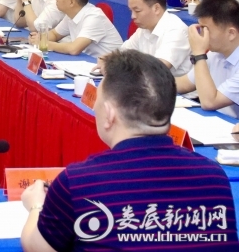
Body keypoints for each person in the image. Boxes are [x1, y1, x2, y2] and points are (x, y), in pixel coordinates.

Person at [20, 51, 236, 251]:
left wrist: (36, 205)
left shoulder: (77, 181)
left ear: (109, 114)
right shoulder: (214, 177)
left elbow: (38, 247)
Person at [109, 0, 191, 77]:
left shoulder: (176, 30)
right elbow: (122, 53)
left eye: (137, 11)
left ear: (156, 8)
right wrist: (108, 60)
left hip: (174, 86)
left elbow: (157, 69)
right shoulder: (144, 28)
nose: (132, 16)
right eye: (131, 11)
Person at [176, 0, 239, 118]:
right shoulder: (215, 54)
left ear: (231, 33)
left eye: (205, 29)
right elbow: (184, 84)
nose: (201, 35)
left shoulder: (206, 53)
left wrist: (199, 53)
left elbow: (209, 102)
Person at [30, 0, 122, 57]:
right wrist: (40, 38)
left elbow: (74, 49)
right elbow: (55, 34)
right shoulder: (72, 14)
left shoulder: (94, 17)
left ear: (71, 2)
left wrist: (46, 44)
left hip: (111, 67)